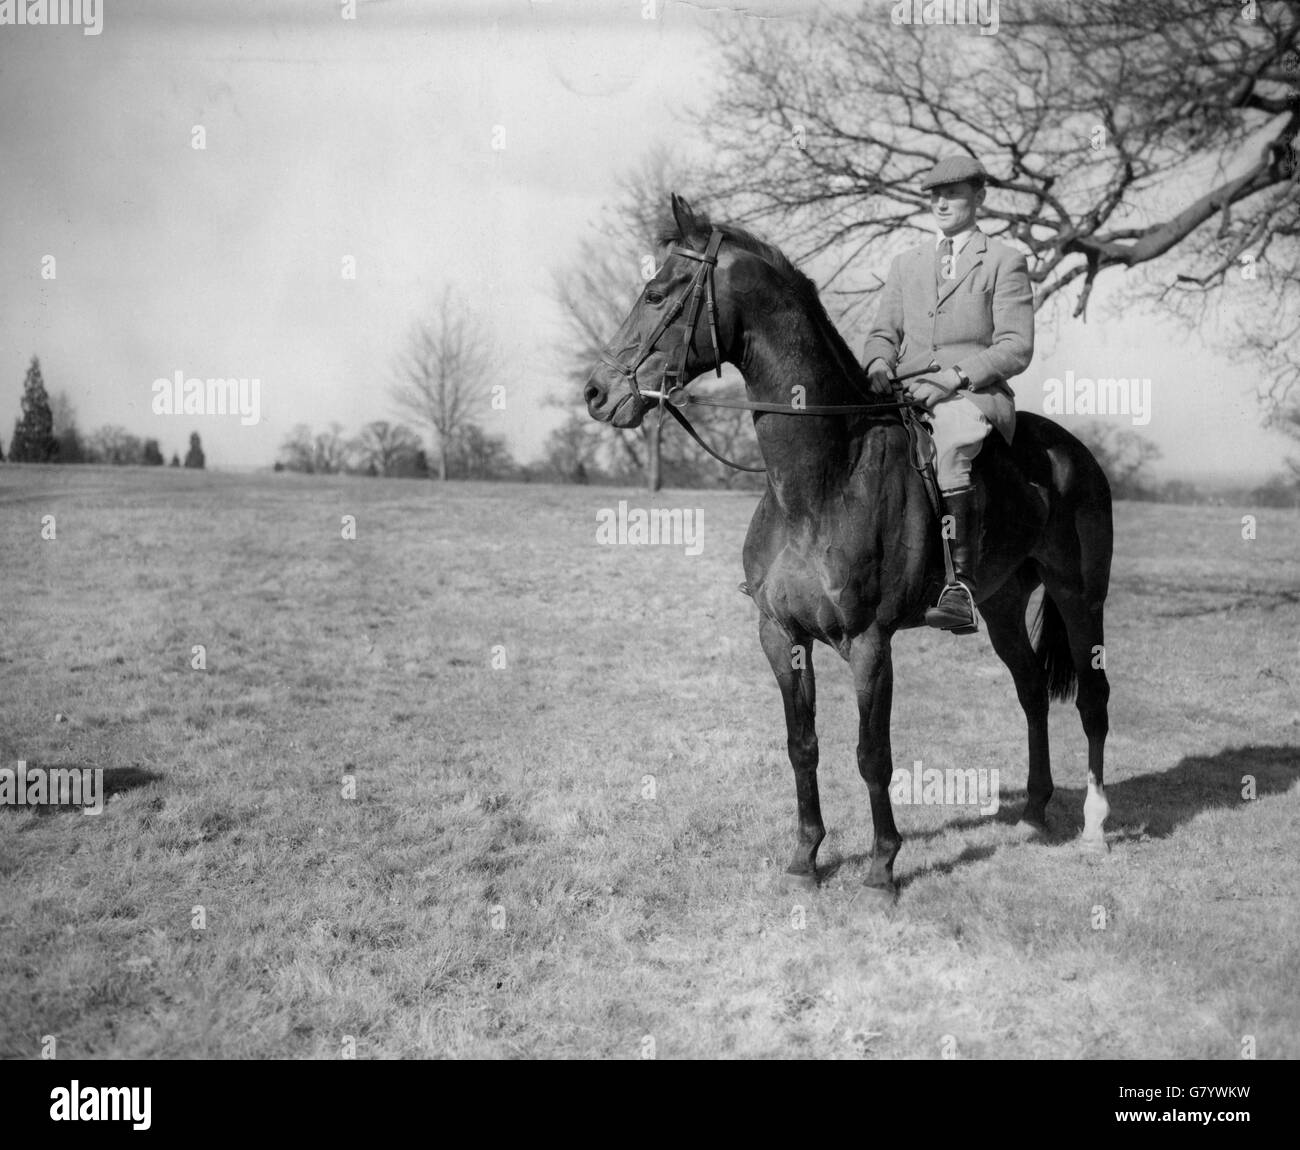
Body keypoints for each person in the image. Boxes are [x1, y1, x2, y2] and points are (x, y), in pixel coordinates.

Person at [861, 155, 1034, 633]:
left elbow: (1016, 346)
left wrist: (955, 377)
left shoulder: (1004, 260)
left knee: (952, 445)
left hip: (971, 393)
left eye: (953, 193)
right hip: (906, 390)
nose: (940, 202)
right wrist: (877, 362)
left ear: (980, 197)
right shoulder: (906, 263)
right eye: (933, 194)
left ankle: (958, 585)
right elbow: (883, 333)